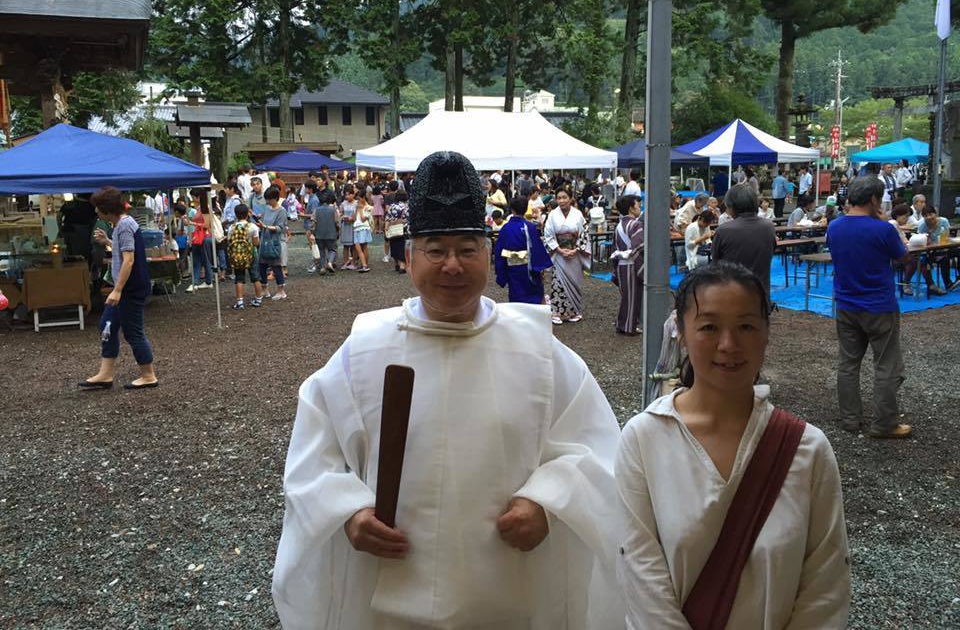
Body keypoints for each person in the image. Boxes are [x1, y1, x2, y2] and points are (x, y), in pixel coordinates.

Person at [272, 150, 625, 630]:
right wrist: (349, 512)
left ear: (488, 252)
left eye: (466, 248)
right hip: (390, 589)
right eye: (436, 250)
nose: (452, 265)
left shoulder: (537, 350)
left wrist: (548, 503)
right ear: (411, 256)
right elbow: (316, 453)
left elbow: (596, 449)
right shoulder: (366, 349)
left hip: (509, 591)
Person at [616, 262, 850, 630]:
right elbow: (642, 574)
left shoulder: (808, 450)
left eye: (746, 326)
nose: (728, 345)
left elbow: (826, 583)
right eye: (709, 327)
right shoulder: (644, 438)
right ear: (679, 330)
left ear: (766, 333)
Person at [826, 177, 912, 438]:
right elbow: (903, 256)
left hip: (846, 303)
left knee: (848, 363)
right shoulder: (883, 229)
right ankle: (885, 423)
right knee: (886, 365)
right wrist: (889, 224)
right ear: (875, 200)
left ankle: (850, 419)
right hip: (878, 305)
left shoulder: (835, 227)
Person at [79, 186, 158, 391]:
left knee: (133, 332)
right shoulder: (123, 224)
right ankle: (105, 374)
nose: (96, 212)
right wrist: (107, 241)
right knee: (107, 325)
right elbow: (124, 249)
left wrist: (118, 289)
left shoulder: (123, 226)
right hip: (127, 288)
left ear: (106, 210)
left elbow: (129, 260)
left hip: (130, 288)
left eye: (98, 208)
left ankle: (148, 375)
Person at [712, 184, 777, 296]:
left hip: (731, 296)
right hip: (760, 295)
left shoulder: (723, 230)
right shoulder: (769, 226)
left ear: (731, 206)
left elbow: (715, 263)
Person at [544, 188, 591, 325]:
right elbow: (548, 234)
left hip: (574, 253)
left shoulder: (578, 214)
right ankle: (556, 312)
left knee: (574, 282)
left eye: (564, 197)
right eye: (559, 198)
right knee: (558, 282)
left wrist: (576, 249)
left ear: (570, 198)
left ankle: (574, 311)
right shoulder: (552, 215)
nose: (561, 200)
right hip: (559, 254)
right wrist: (558, 249)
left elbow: (584, 233)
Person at [494, 195, 552, 304]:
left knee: (516, 298)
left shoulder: (505, 228)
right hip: (529, 269)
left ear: (511, 209)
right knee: (533, 297)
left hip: (513, 270)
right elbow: (537, 249)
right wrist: (540, 268)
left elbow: (499, 252)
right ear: (526, 209)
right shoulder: (529, 227)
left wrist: (501, 271)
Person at [889, 205, 944, 297]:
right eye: (905, 216)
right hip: (893, 256)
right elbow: (903, 241)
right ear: (898, 215)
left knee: (920, 258)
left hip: (899, 253)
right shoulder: (893, 223)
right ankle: (925, 284)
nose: (907, 219)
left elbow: (905, 241)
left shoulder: (896, 224)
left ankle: (926, 284)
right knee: (917, 260)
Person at [611, 194, 643, 335]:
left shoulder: (618, 225)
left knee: (626, 297)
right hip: (632, 264)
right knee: (633, 297)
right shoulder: (635, 224)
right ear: (631, 208)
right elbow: (639, 246)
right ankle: (629, 327)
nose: (639, 207)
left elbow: (614, 248)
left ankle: (622, 324)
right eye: (638, 205)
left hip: (621, 265)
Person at [227, 204, 266, 309]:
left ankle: (240, 302)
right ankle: (258, 299)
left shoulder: (231, 227)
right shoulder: (253, 227)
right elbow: (256, 243)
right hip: (251, 254)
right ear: (247, 214)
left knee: (239, 278)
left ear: (236, 215)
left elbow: (229, 241)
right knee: (255, 277)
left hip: (237, 256)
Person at [917, 204, 959, 291]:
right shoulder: (922, 226)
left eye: (931, 214)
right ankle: (948, 284)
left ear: (935, 214)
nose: (929, 217)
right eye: (926, 215)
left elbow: (947, 235)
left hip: (946, 247)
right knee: (944, 258)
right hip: (932, 252)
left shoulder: (944, 221)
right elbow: (923, 243)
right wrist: (928, 236)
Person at [258, 186, 288, 300]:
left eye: (269, 199)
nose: (268, 201)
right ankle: (264, 289)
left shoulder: (281, 211)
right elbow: (264, 222)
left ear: (275, 198)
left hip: (275, 242)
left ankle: (281, 290)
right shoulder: (267, 208)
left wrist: (265, 226)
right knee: (262, 266)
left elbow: (280, 228)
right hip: (265, 240)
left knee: (276, 266)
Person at [186, 195, 214, 292]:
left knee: (204, 259)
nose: (192, 199)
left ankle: (206, 281)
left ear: (198, 198)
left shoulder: (205, 208)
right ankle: (201, 282)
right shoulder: (199, 208)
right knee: (198, 260)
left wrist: (192, 223)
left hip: (204, 237)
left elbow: (206, 225)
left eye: (193, 197)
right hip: (199, 236)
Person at [312, 190, 339, 276]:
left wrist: (313, 232)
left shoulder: (316, 210)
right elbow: (337, 222)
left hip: (319, 233)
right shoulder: (333, 210)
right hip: (331, 233)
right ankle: (330, 262)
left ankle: (322, 267)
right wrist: (338, 230)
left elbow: (313, 222)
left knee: (321, 251)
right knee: (332, 249)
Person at [384, 188, 409, 273]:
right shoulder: (407, 206)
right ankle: (402, 265)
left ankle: (396, 264)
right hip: (403, 229)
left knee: (394, 245)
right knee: (402, 246)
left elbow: (387, 218)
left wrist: (386, 228)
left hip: (393, 228)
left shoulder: (392, 206)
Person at [353, 194, 373, 273]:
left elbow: (363, 219)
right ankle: (364, 264)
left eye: (359, 199)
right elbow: (354, 218)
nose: (358, 201)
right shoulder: (358, 207)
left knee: (362, 247)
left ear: (363, 198)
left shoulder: (369, 208)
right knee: (361, 247)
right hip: (357, 228)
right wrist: (357, 209)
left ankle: (365, 265)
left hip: (363, 227)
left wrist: (361, 209)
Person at [340, 185, 358, 270]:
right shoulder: (343, 203)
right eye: (346, 195)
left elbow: (358, 214)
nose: (347, 196)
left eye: (349, 194)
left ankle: (354, 262)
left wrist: (352, 218)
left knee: (354, 246)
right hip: (345, 225)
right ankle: (345, 262)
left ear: (353, 194)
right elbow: (340, 213)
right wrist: (343, 217)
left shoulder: (356, 203)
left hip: (354, 225)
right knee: (345, 246)